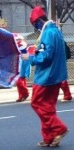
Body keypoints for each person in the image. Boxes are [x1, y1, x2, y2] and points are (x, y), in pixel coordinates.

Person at [22, 6, 69, 147]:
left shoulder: (47, 33)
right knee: (48, 107)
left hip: (45, 77)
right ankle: (50, 137)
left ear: (38, 21)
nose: (36, 28)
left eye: (35, 25)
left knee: (36, 103)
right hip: (56, 77)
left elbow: (45, 57)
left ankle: (58, 128)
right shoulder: (56, 31)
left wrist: (29, 58)